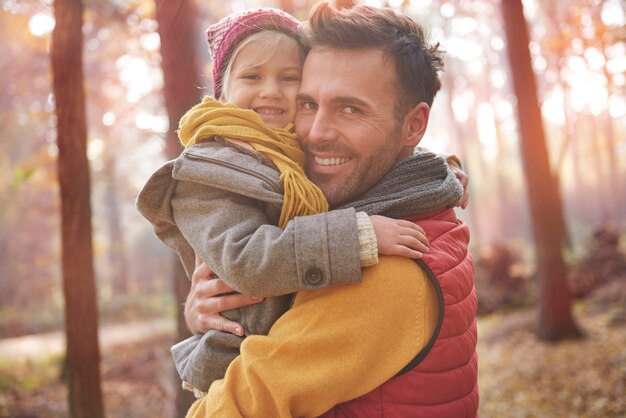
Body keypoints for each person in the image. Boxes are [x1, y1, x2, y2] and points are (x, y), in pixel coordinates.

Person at [136, 8, 461, 397]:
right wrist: (204, 313)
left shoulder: (292, 161)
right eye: (310, 104)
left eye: (289, 80)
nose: (319, 132)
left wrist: (439, 169)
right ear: (222, 92)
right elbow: (243, 259)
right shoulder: (217, 168)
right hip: (233, 351)